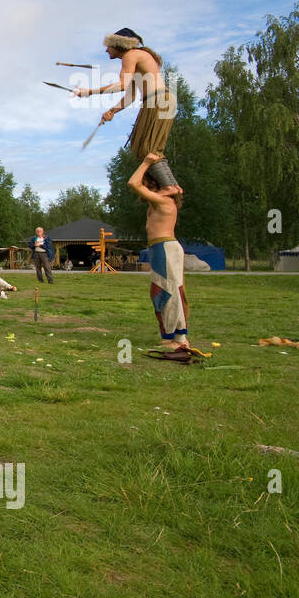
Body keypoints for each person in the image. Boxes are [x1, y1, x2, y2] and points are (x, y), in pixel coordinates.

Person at [73, 28, 180, 192]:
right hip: (155, 101)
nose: (106, 49)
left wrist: (88, 92)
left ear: (118, 44)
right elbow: (130, 96)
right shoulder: (135, 57)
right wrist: (112, 111)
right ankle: (168, 186)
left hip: (159, 100)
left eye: (109, 46)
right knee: (140, 148)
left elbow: (122, 85)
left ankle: (170, 187)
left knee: (149, 149)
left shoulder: (131, 55)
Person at [130, 151, 193, 360]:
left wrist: (147, 162)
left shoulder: (163, 202)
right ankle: (170, 335)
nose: (145, 188)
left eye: (149, 184)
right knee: (161, 291)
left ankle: (180, 338)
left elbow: (133, 183)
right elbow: (139, 188)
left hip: (166, 248)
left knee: (169, 291)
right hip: (160, 248)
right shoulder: (160, 200)